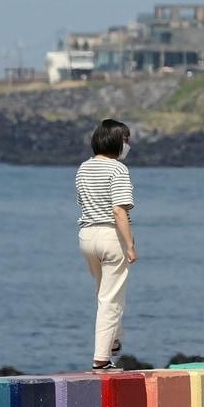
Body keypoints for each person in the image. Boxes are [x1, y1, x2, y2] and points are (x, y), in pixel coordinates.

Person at [76, 118, 138, 372]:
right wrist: (130, 244)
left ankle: (113, 341)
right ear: (116, 142)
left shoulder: (83, 168)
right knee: (111, 299)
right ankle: (102, 359)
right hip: (111, 237)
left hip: (87, 236)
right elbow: (118, 210)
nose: (127, 145)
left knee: (104, 293)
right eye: (126, 140)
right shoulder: (118, 170)